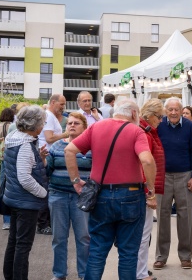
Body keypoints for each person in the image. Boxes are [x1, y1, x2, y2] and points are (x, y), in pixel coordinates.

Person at [64, 99, 157, 280]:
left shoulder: (96, 127)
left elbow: (69, 150)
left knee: (97, 250)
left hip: (101, 195)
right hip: (131, 195)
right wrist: (151, 189)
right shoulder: (136, 131)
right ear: (133, 113)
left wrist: (76, 181)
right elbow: (147, 160)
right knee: (129, 253)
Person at [2, 105, 49, 280]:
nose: (43, 126)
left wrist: (41, 158)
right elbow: (25, 178)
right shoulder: (25, 145)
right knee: (23, 245)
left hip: (14, 198)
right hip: (26, 202)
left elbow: (23, 169)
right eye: (42, 122)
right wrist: (43, 193)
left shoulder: (13, 138)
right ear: (34, 124)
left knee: (14, 241)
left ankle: (10, 276)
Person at [154, 97, 192, 271]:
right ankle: (161, 256)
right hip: (162, 176)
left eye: (176, 109)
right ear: (165, 111)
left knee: (185, 217)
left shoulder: (189, 126)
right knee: (162, 216)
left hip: (184, 175)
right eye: (170, 109)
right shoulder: (159, 126)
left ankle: (186, 256)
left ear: (182, 111)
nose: (173, 112)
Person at [46, 112, 92, 280]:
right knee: (59, 238)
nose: (72, 125)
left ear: (84, 127)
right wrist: (43, 160)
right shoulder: (57, 146)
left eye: (76, 123)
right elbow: (48, 171)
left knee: (84, 237)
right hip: (58, 195)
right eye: (70, 123)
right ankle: (59, 274)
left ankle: (84, 274)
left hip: (82, 198)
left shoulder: (90, 147)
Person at [137, 99, 167, 280]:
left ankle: (139, 270)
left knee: (142, 234)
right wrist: (150, 193)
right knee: (143, 234)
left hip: (143, 190)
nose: (161, 120)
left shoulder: (146, 131)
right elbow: (145, 164)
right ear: (150, 115)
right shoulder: (145, 133)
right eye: (160, 116)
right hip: (144, 192)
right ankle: (139, 273)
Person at [38, 94, 68, 236]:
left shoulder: (49, 116)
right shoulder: (49, 116)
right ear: (53, 102)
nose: (63, 107)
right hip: (47, 157)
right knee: (46, 190)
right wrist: (66, 135)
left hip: (48, 156)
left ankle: (45, 223)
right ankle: (43, 224)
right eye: (61, 104)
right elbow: (49, 138)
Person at [0, 107, 14, 230]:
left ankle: (0, 187)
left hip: (1, 152)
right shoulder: (11, 126)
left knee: (3, 177)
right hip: (8, 153)